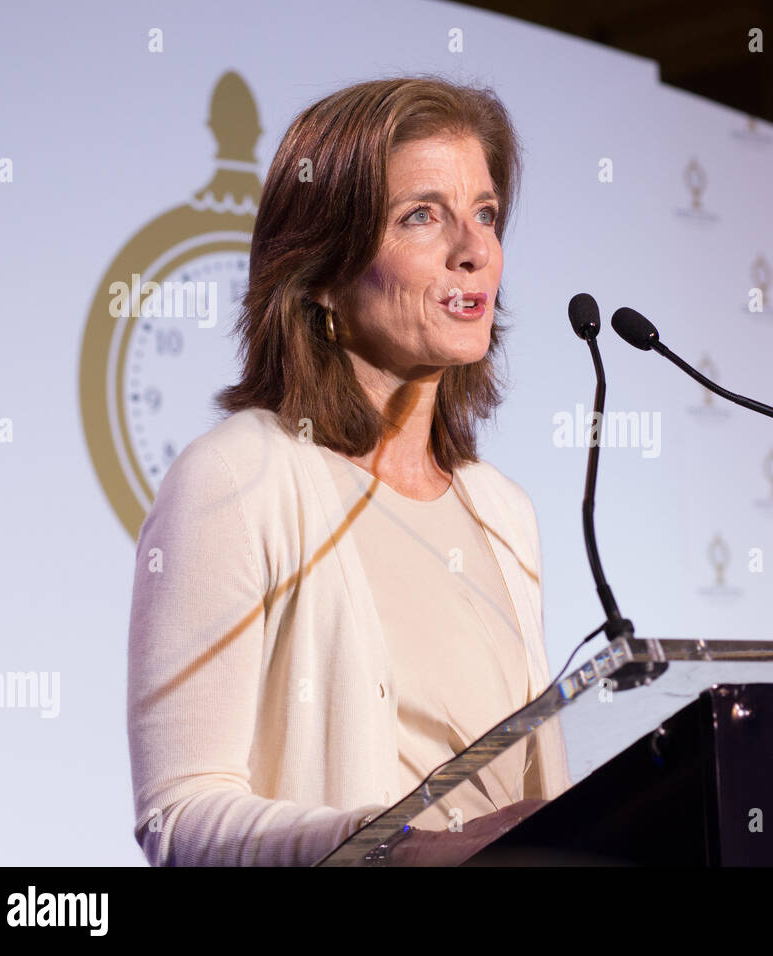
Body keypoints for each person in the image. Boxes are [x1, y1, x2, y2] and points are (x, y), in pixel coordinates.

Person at [126, 75, 570, 866]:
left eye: (486, 214)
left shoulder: (504, 513)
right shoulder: (239, 480)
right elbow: (179, 817)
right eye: (422, 216)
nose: (473, 250)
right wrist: (396, 852)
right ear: (324, 271)